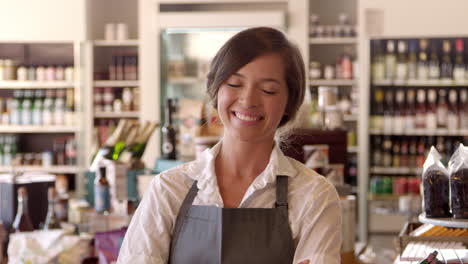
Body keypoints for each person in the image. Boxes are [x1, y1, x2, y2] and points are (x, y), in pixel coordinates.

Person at [117, 27, 341, 264]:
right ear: (216, 89)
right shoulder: (169, 190)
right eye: (234, 84)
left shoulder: (314, 196)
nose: (248, 100)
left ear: (289, 101)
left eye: (268, 90)